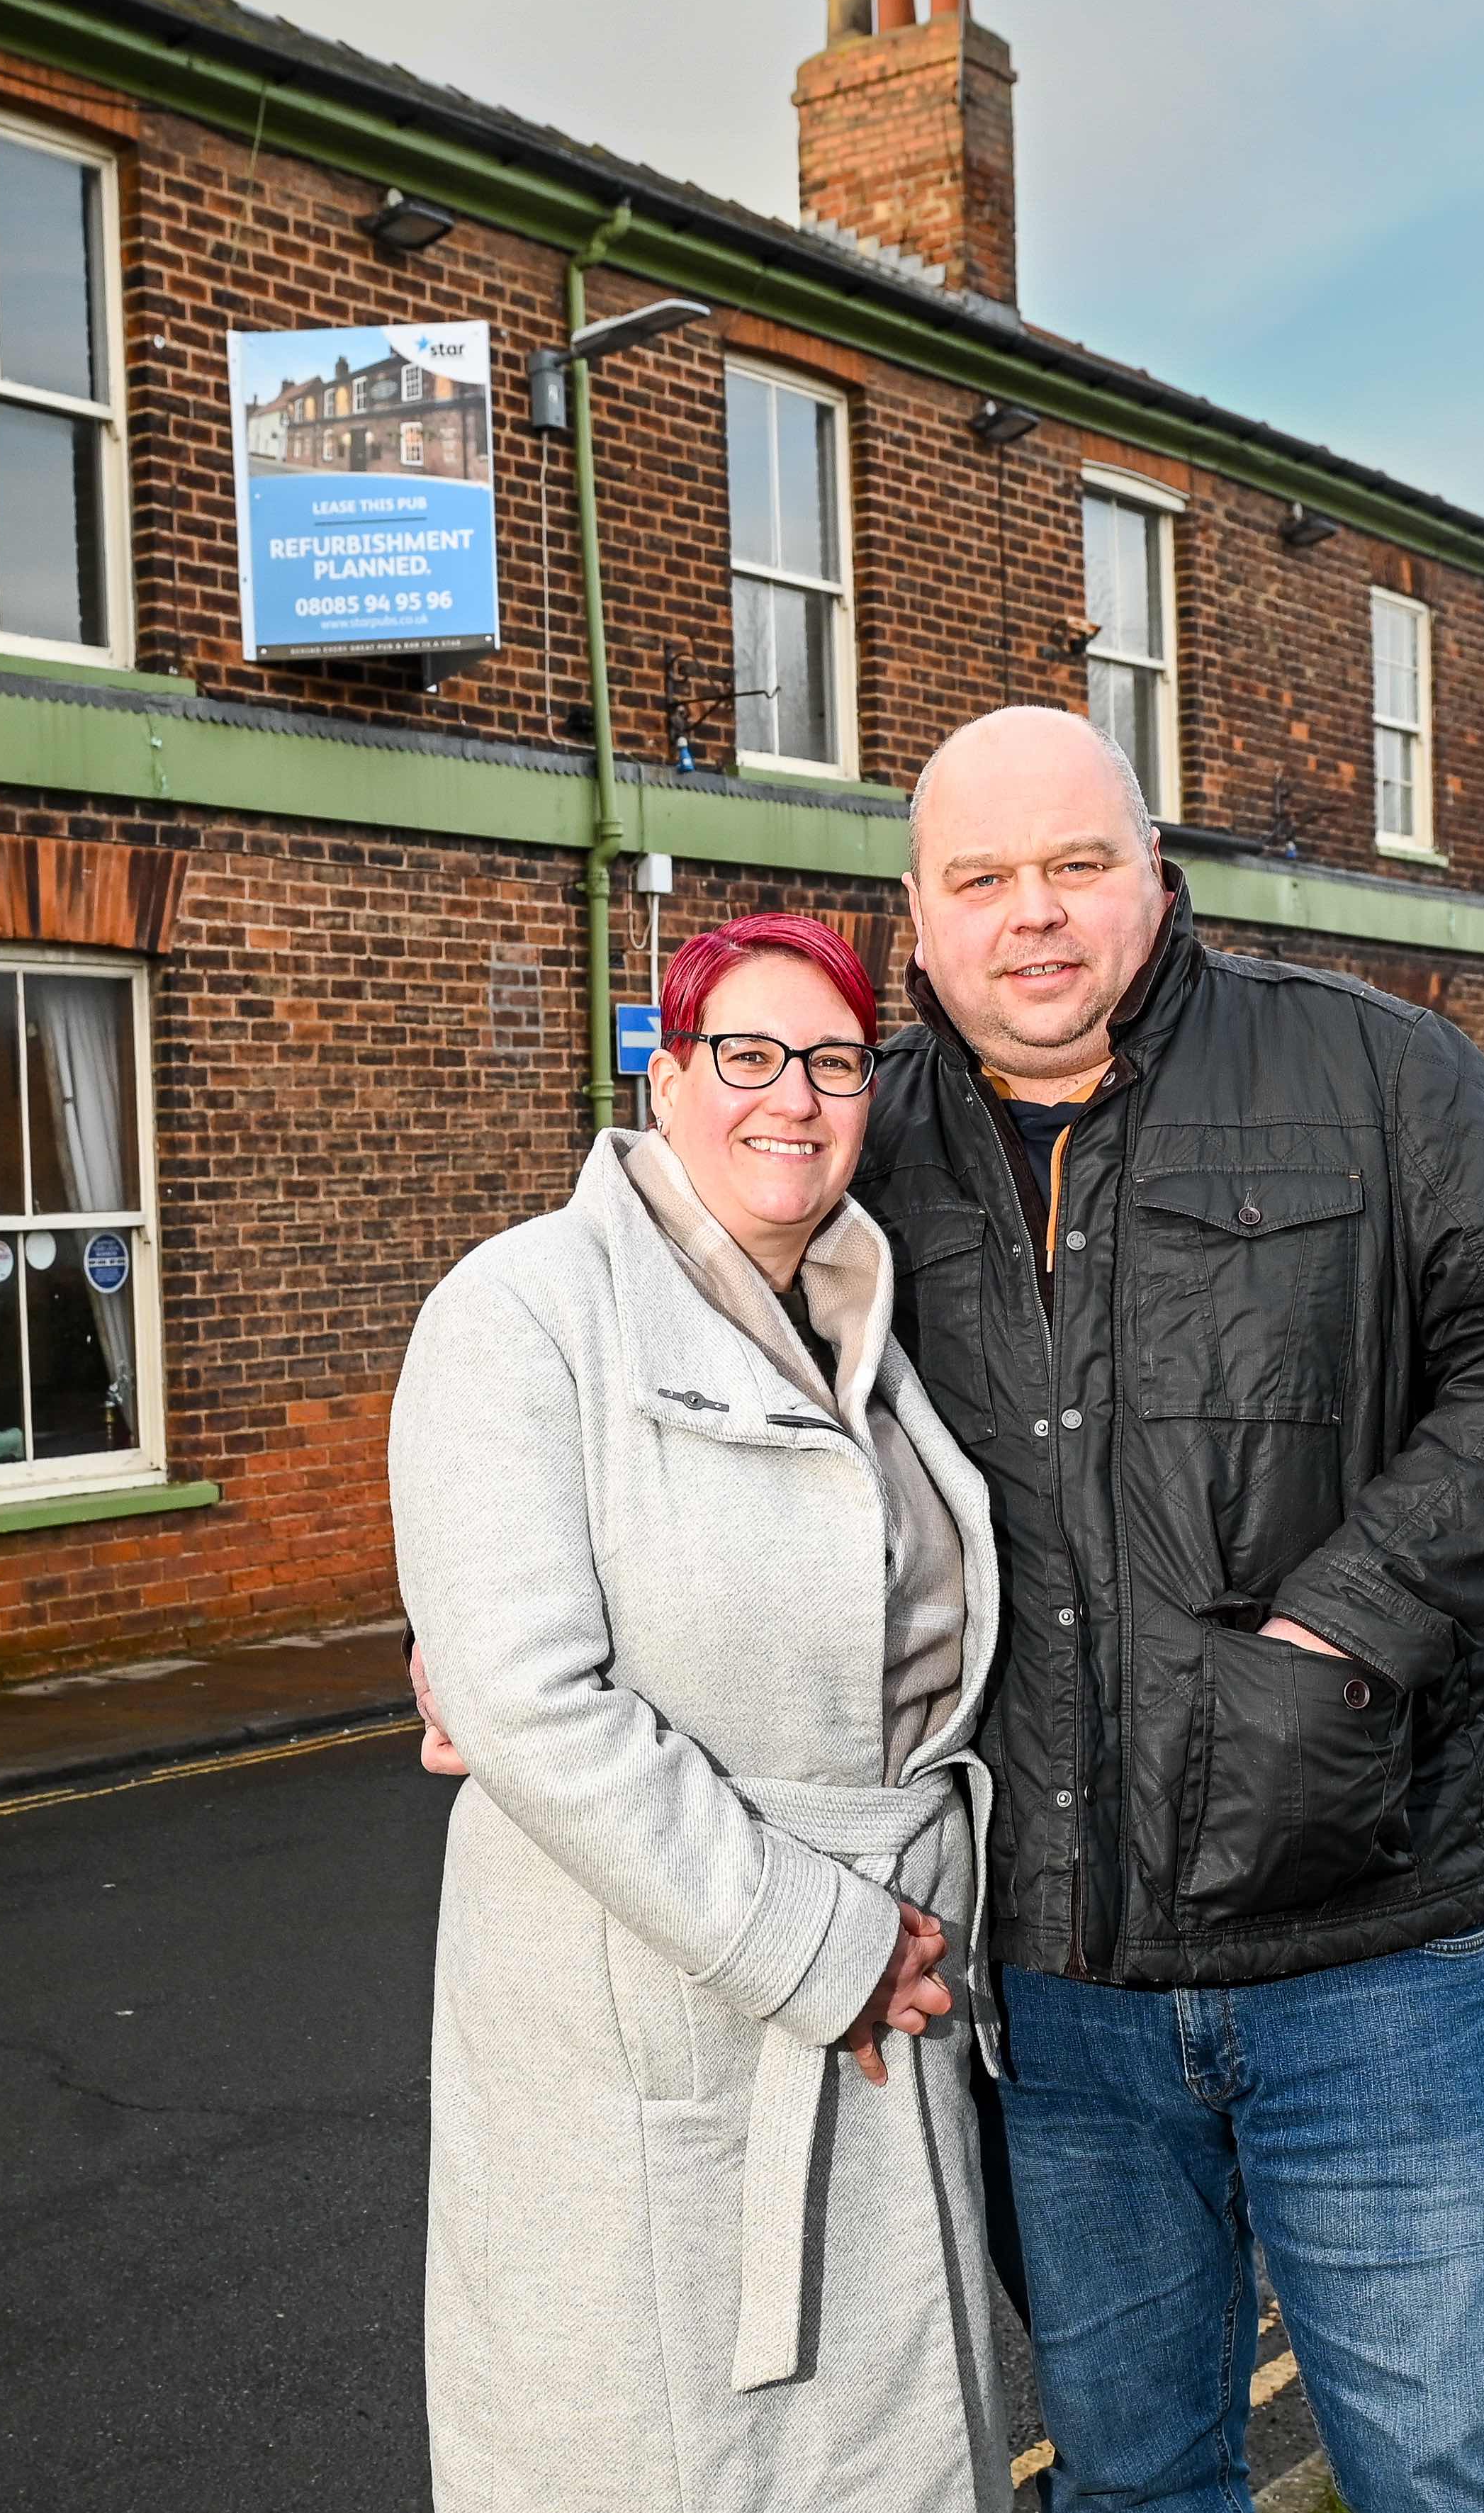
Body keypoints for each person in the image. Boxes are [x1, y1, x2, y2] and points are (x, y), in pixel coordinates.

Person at [423, 709, 1484, 2512]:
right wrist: (482, 1605)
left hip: (1371, 1942)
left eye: (1079, 863)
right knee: (1137, 2481)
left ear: (1156, 876)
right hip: (1052, 1985)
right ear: (915, 918)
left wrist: (1344, 1630)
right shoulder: (852, 1143)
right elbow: (650, 1381)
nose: (1038, 915)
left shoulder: (1379, 1072)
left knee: (1461, 2469)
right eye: (982, 877)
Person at [390, 913, 1013, 2513]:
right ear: (664, 1077)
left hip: (895, 1988)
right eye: (744, 1053)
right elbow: (530, 1700)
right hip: (660, 2012)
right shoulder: (523, 1305)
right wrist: (824, 1941)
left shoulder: (870, 1318)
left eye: (833, 1061)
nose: (790, 1097)